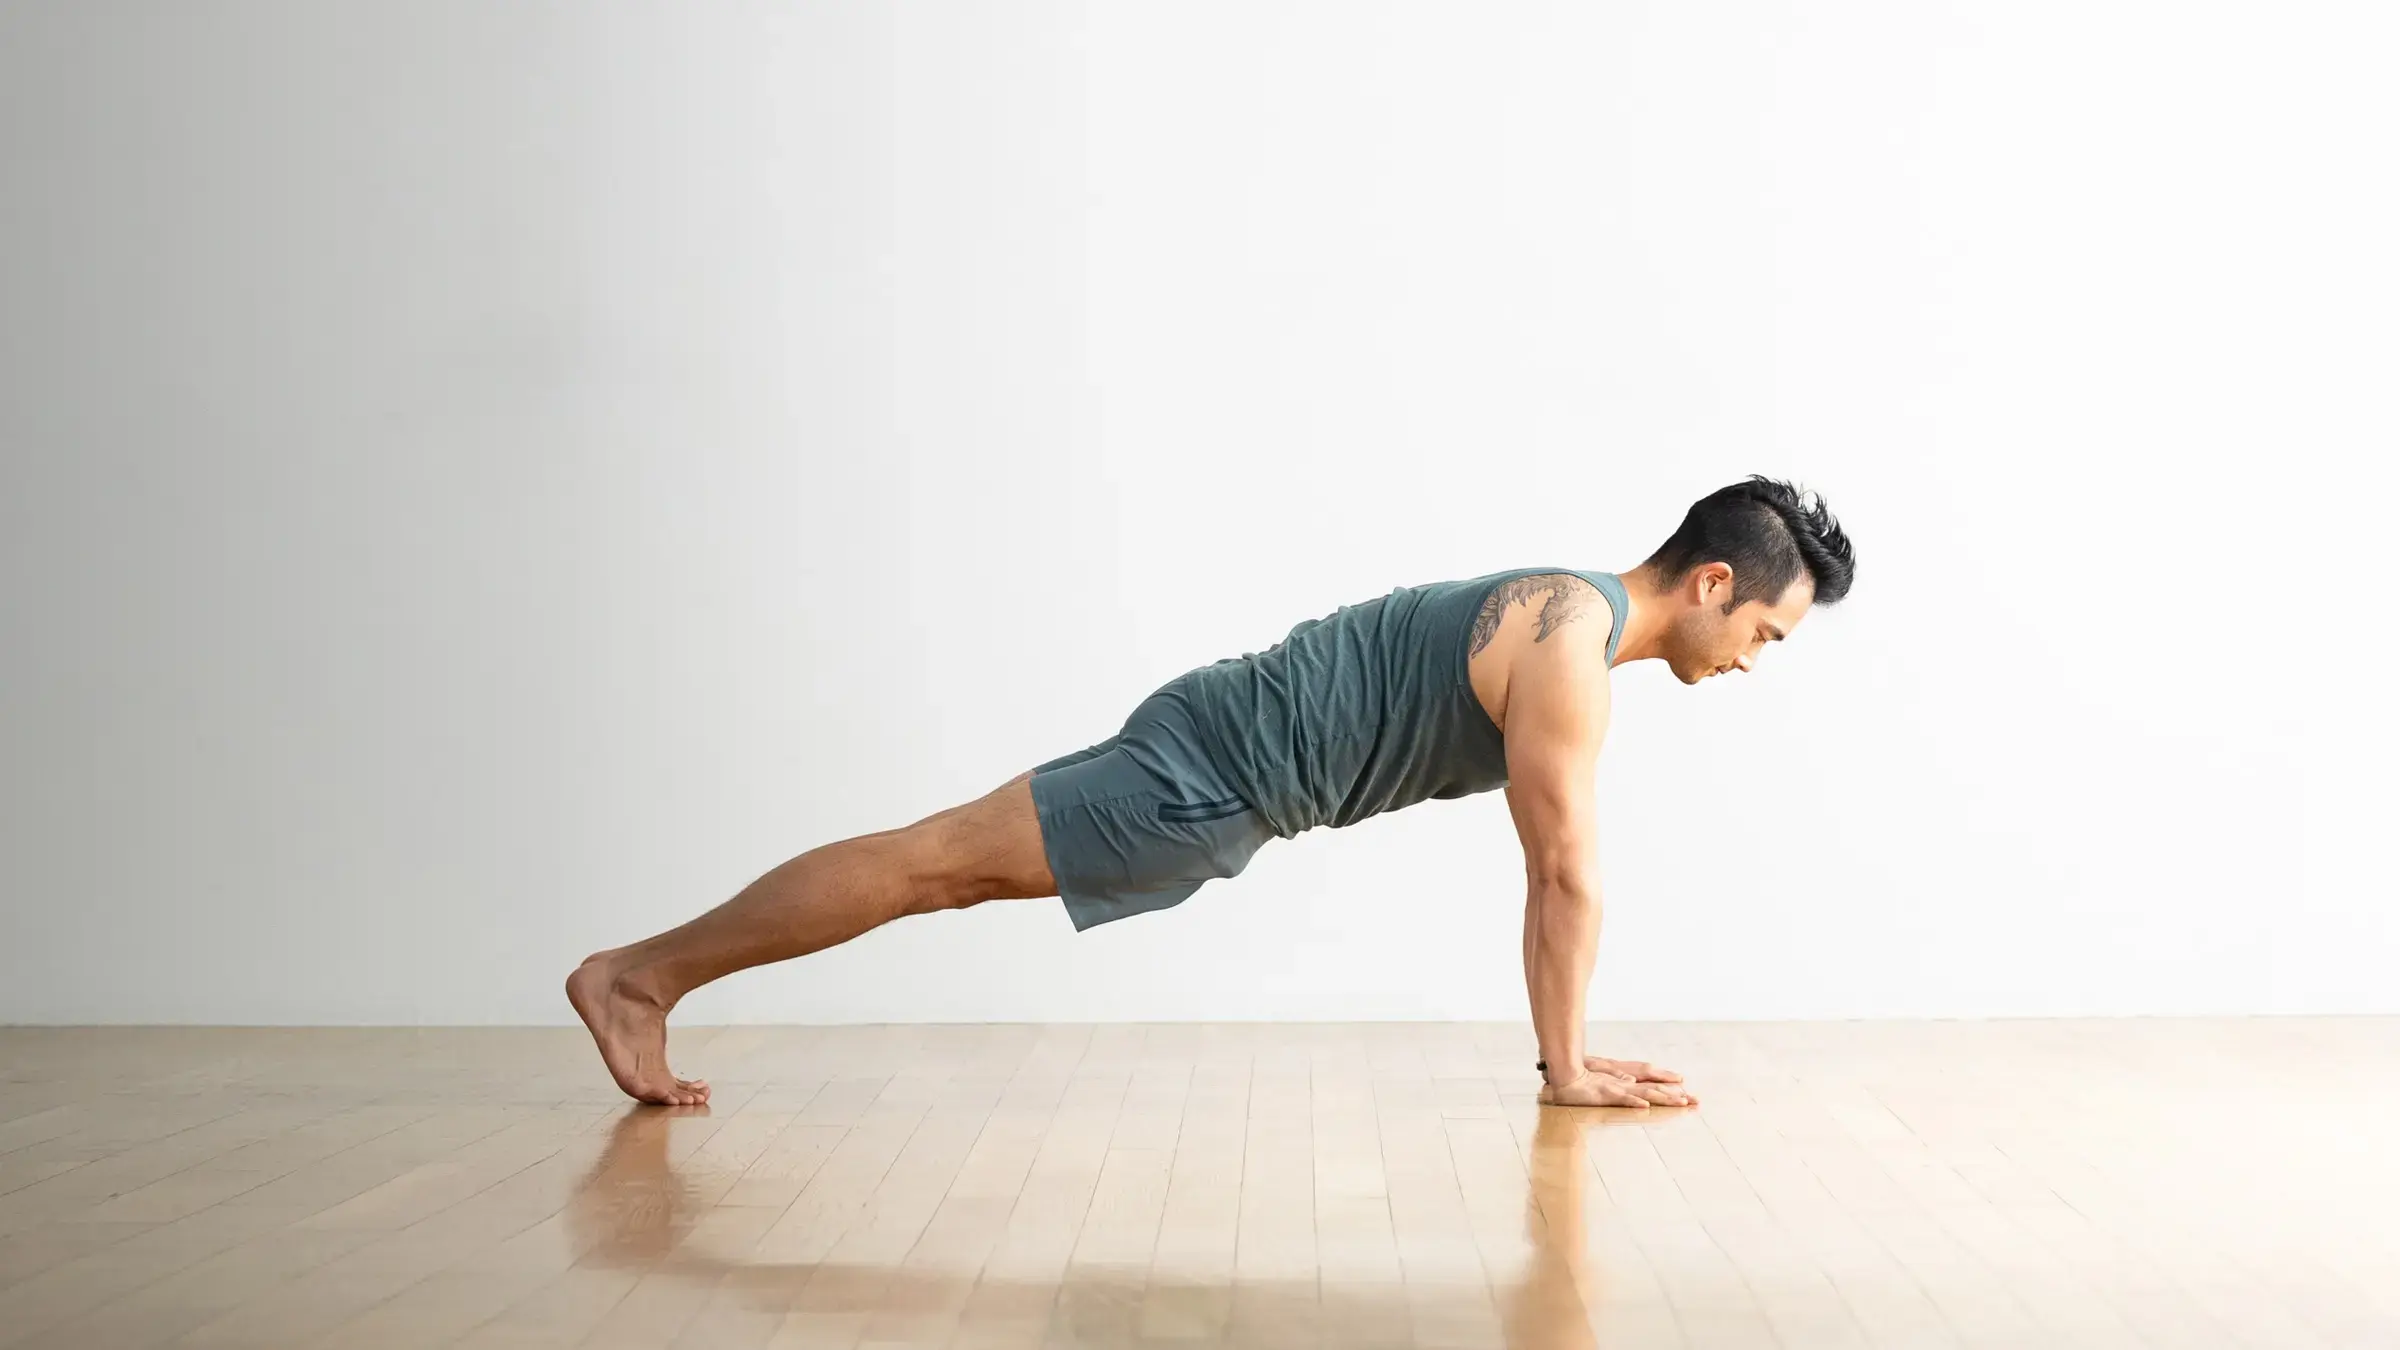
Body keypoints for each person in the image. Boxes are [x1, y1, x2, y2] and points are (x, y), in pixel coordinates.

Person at [568, 475, 1856, 1108]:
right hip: (1210, 777)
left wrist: (1561, 1054)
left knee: (935, 864)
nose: (1755, 663)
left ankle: (646, 975)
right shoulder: (1572, 654)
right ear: (1713, 585)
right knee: (930, 865)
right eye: (1767, 636)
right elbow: (1564, 872)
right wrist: (1566, 1066)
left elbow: (1549, 866)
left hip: (1216, 747)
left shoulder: (1565, 608)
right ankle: (640, 977)